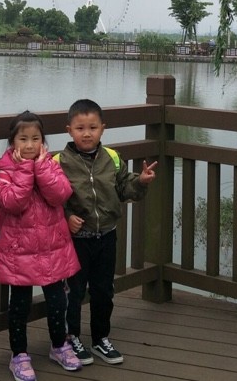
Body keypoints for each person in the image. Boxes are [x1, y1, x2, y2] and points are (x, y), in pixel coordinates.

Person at [55, 98, 158, 366]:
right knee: (74, 292)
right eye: (80, 128)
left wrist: (141, 181)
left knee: (103, 290)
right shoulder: (59, 162)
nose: (86, 133)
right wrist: (66, 217)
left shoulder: (111, 158)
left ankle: (100, 338)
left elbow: (124, 188)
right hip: (76, 241)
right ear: (69, 130)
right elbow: (50, 200)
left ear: (103, 128)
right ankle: (71, 338)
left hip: (107, 236)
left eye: (92, 127)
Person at [0, 111, 83, 381]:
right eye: (23, 139)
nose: (30, 145)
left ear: (43, 141)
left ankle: (59, 345)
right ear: (12, 143)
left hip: (51, 249)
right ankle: (19, 355)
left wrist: (40, 169)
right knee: (19, 305)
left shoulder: (50, 165)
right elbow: (12, 203)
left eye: (35, 138)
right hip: (19, 252)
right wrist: (23, 171)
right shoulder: (5, 171)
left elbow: (60, 195)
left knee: (58, 301)